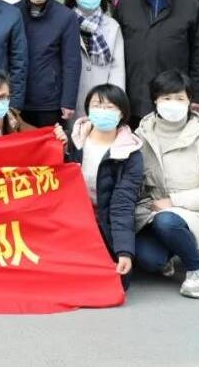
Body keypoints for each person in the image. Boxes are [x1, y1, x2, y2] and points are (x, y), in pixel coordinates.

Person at [134, 70, 199, 298]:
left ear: (189, 101)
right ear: (155, 100)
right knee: (150, 260)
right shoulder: (142, 134)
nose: (173, 104)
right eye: (166, 98)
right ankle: (174, 249)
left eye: (179, 98)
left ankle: (198, 270)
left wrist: (173, 201)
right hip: (152, 211)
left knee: (167, 221)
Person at [115, 0, 199, 123]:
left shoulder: (190, 4)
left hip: (174, 94)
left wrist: (198, 94)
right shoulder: (126, 4)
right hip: (134, 93)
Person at [64, 84, 144, 288]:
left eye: (110, 107)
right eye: (97, 105)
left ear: (122, 113)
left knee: (116, 281)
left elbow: (122, 205)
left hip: (105, 220)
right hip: (73, 220)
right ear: (88, 110)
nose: (102, 111)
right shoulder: (72, 141)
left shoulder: (130, 153)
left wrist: (124, 252)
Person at [18, 0, 81, 128]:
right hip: (17, 97)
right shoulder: (13, 12)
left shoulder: (66, 16)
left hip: (50, 100)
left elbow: (71, 62)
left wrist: (68, 100)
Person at [67, 0, 126, 118]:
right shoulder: (65, 22)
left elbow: (117, 68)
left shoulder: (112, 25)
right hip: (72, 97)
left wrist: (115, 100)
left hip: (103, 99)